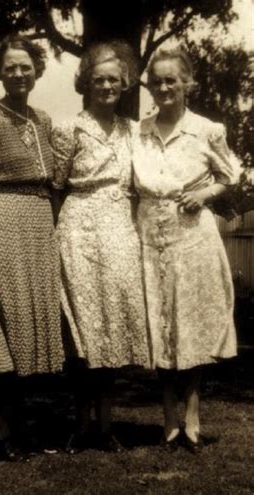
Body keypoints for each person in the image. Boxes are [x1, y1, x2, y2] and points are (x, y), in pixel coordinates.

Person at [133, 48, 239, 453]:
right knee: (160, 325)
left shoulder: (206, 130)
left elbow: (230, 174)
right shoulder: (138, 130)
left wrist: (204, 193)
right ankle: (167, 419)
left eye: (171, 80)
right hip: (151, 238)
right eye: (156, 81)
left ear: (187, 83)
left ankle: (192, 417)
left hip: (192, 237)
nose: (163, 88)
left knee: (190, 325)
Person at [52, 41, 150, 453]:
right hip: (78, 228)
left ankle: (105, 424)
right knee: (82, 331)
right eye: (98, 80)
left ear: (125, 83)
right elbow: (55, 186)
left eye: (113, 79)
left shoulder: (135, 131)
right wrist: (62, 233)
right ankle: (80, 422)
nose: (106, 86)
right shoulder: (68, 128)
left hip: (120, 231)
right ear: (85, 84)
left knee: (111, 328)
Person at [0, 34, 64, 459]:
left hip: (39, 218)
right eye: (11, 67)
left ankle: (23, 429)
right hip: (3, 215)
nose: (19, 73)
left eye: (26, 66)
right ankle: (0, 432)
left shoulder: (42, 119)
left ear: (37, 70)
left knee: (30, 324)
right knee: (4, 323)